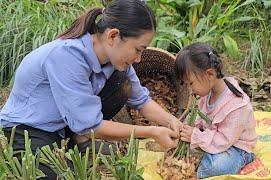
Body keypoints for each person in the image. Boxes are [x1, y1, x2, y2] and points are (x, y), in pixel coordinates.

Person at [0, 0, 181, 178]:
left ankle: (79, 141)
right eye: (138, 50)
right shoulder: (67, 56)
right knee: (62, 175)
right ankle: (78, 141)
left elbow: (141, 101)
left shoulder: (116, 61)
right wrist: (151, 132)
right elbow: (91, 125)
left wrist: (172, 122)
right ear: (113, 36)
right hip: (26, 130)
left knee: (122, 82)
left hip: (64, 124)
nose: (139, 58)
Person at [175, 42, 257, 178]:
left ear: (210, 74)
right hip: (211, 137)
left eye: (191, 83)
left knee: (217, 166)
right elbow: (200, 116)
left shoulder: (237, 105)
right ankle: (203, 156)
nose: (189, 90)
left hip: (234, 146)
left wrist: (195, 136)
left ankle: (243, 160)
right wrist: (188, 127)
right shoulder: (208, 91)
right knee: (184, 143)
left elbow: (224, 140)